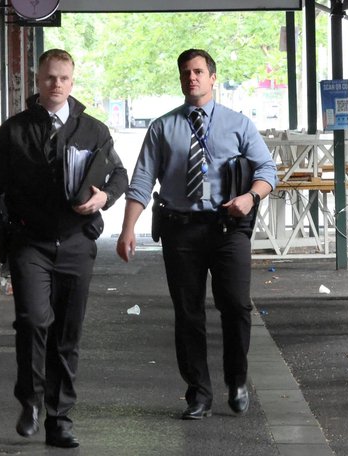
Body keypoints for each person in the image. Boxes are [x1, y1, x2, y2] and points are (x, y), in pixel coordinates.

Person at [0, 48, 128, 448]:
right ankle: (31, 402)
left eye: (63, 78)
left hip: (76, 242)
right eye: (48, 78)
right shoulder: (14, 130)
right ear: (37, 80)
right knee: (33, 320)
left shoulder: (93, 130)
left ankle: (60, 418)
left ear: (73, 82)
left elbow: (120, 174)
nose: (55, 84)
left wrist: (104, 199)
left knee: (67, 334)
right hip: (29, 243)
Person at [116, 49, 276, 420]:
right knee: (188, 314)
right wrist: (127, 229)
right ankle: (198, 393)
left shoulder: (239, 124)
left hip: (227, 228)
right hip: (181, 230)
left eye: (199, 71)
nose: (192, 77)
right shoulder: (162, 127)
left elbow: (267, 168)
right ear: (181, 78)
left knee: (236, 306)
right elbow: (142, 179)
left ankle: (236, 379)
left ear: (212, 78)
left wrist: (251, 197)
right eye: (186, 72)